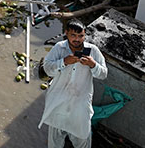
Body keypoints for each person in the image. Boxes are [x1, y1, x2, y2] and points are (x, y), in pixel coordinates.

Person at [39, 19, 107, 148]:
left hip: (80, 105)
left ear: (84, 35)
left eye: (80, 36)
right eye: (73, 35)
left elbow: (103, 74)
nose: (77, 39)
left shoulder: (93, 51)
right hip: (59, 102)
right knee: (54, 142)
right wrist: (64, 62)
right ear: (66, 34)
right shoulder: (59, 48)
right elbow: (47, 69)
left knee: (82, 139)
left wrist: (93, 65)